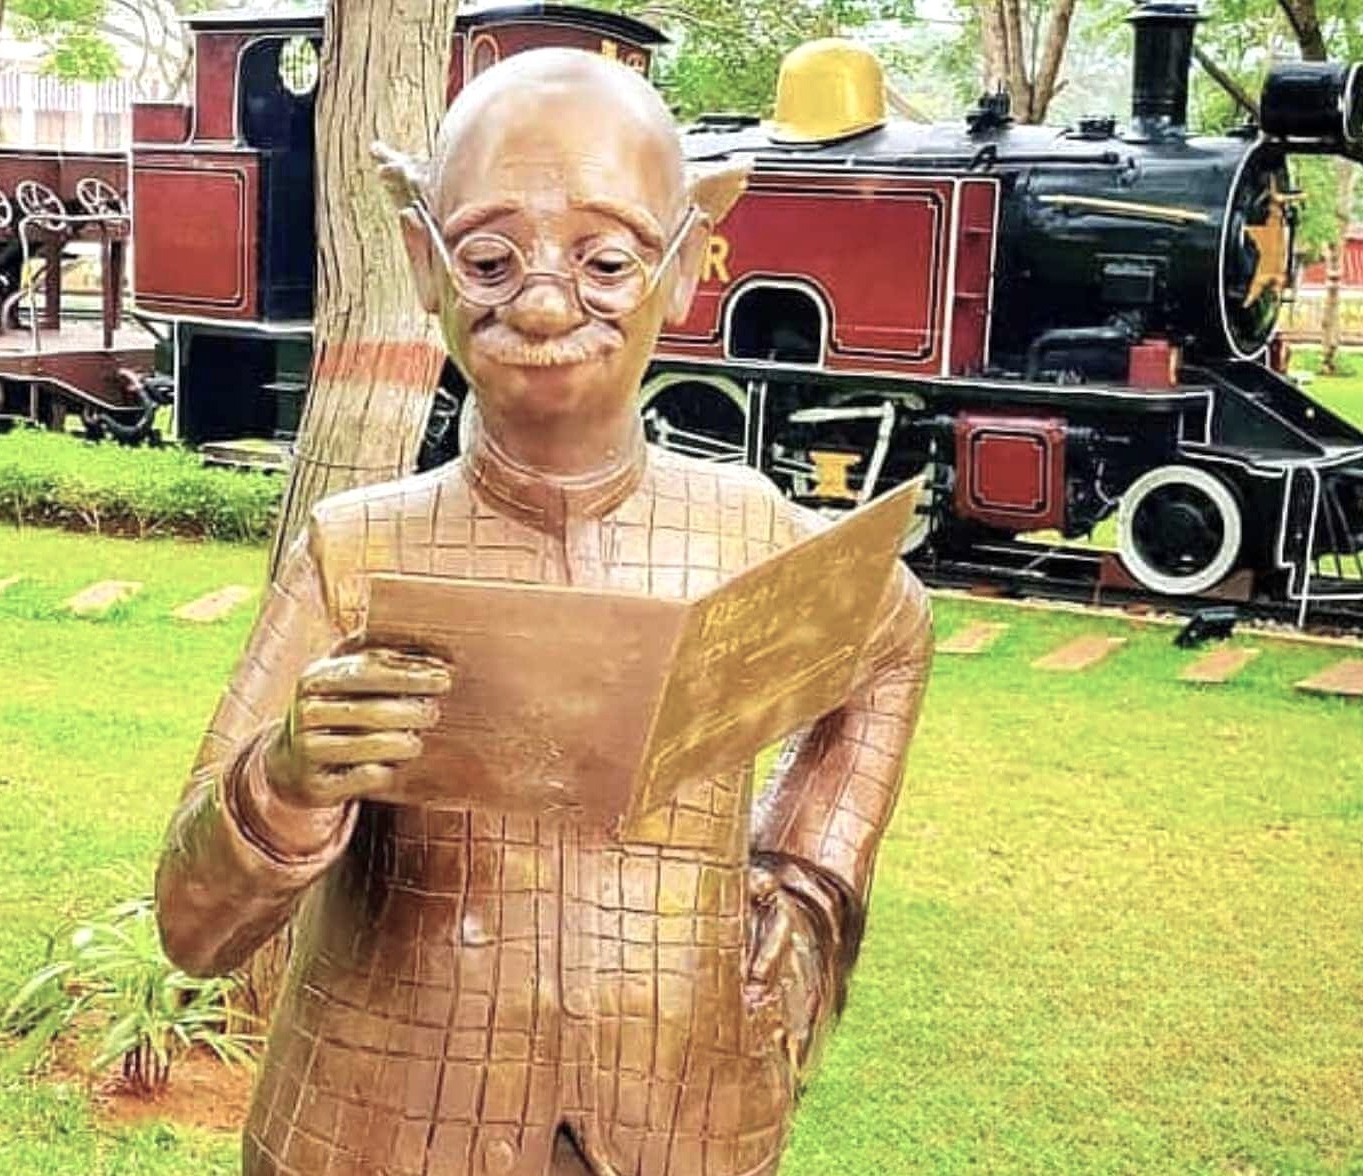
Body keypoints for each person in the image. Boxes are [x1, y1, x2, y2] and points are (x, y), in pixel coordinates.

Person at [155, 48, 933, 1176]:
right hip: (380, 1113)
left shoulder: (748, 536)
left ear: (686, 264)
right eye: (488, 257)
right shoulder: (357, 550)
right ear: (424, 262)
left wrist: (805, 873)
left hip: (678, 1105)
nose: (544, 299)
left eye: (606, 258)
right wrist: (284, 779)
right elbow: (193, 928)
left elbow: (895, 638)